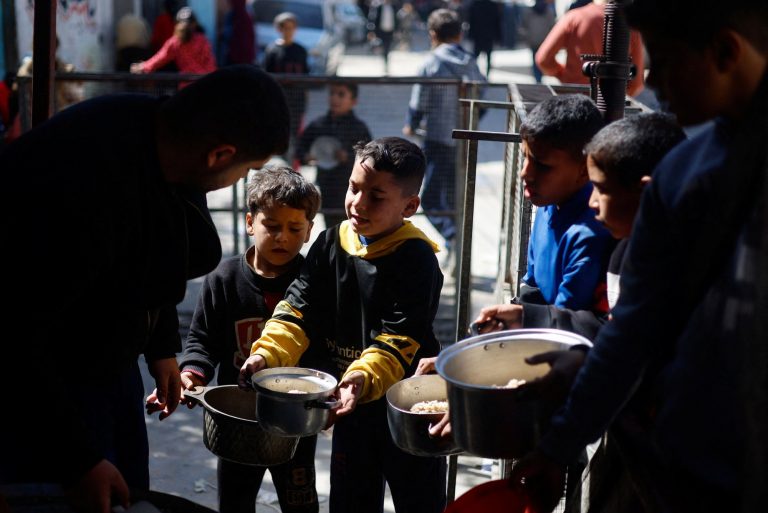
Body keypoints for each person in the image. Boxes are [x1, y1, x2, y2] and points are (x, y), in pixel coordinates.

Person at [510, 1, 768, 512]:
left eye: (666, 61)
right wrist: (561, 441)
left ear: (724, 51)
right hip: (691, 467)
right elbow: (634, 328)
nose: (650, 80)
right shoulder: (682, 174)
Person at [0, 65, 290, 513]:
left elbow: (150, 260)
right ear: (219, 155)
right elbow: (19, 333)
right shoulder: (85, 185)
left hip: (109, 364)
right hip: (46, 386)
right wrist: (78, 460)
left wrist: (160, 345)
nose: (236, 181)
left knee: (132, 491)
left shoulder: (162, 139)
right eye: (245, 169)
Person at [239, 137, 447, 513]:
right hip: (353, 405)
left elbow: (398, 336)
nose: (359, 203)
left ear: (410, 206)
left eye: (377, 196)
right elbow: (298, 308)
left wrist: (359, 378)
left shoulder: (416, 258)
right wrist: (266, 355)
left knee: (419, 498)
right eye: (354, 187)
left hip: (410, 407)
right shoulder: (332, 242)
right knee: (351, 498)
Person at [171, 167, 321, 513]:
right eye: (271, 226)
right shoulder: (223, 279)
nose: (282, 237)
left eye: (294, 228)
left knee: (300, 501)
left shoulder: (315, 283)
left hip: (296, 421)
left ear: (309, 231)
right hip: (237, 420)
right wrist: (193, 372)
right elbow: (202, 341)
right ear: (250, 222)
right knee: (235, 502)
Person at [474, 112, 685, 342]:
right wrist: (525, 316)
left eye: (601, 189)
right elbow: (609, 329)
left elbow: (624, 343)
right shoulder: (623, 252)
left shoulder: (678, 267)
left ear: (647, 193)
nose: (592, 202)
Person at [403, 8, 486, 272]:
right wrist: (471, 122)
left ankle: (452, 238)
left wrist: (412, 124)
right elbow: (482, 96)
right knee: (453, 197)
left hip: (438, 138)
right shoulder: (470, 61)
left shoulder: (432, 63)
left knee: (428, 199)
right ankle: (456, 248)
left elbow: (420, 100)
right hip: (464, 141)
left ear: (432, 34)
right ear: (459, 34)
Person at [515, 94, 612, 313]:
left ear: (583, 170)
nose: (525, 173)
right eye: (525, 158)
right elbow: (531, 285)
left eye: (543, 165)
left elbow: (566, 318)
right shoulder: (547, 206)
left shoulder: (588, 235)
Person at [296, 81, 373, 229]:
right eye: (332, 93)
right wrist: (307, 156)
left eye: (341, 94)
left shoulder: (358, 128)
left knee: (352, 227)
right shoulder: (319, 125)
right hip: (327, 185)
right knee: (332, 228)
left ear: (353, 101)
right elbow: (300, 147)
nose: (335, 98)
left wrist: (349, 157)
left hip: (352, 187)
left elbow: (370, 158)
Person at [535, 0, 646, 97]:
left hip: (573, 95)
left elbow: (543, 59)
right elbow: (636, 81)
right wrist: (620, 94)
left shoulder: (574, 17)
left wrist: (564, 75)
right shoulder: (630, 26)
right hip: (611, 102)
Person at [263, 11, 310, 166]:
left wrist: (305, 98)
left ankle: (294, 168)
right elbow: (267, 77)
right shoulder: (272, 50)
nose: (288, 31)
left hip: (297, 101)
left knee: (295, 136)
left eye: (291, 27)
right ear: (279, 29)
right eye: (285, 28)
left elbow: (306, 77)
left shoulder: (300, 51)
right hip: (278, 101)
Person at [131, 7, 217, 76]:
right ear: (194, 24)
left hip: (187, 85)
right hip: (203, 82)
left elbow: (160, 58)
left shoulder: (175, 41)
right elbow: (210, 63)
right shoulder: (202, 39)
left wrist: (143, 67)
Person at [519, 0, 556, 84]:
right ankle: (540, 77)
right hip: (544, 41)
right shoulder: (548, 11)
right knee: (542, 59)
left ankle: (537, 79)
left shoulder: (528, 11)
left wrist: (527, 37)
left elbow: (524, 26)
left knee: (535, 60)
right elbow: (552, 26)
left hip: (533, 40)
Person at [467, 0, 501, 76]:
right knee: (488, 57)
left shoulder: (475, 4)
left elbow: (471, 20)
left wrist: (470, 35)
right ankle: (486, 75)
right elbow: (497, 22)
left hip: (478, 35)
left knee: (476, 57)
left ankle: (476, 74)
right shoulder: (493, 5)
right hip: (488, 35)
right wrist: (498, 37)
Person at [217, 0, 256, 66]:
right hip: (243, 58)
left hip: (235, 57)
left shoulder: (235, 16)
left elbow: (227, 35)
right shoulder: (246, 15)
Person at [367, 0, 399, 74]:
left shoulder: (393, 6)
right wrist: (371, 31)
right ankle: (384, 61)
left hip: (390, 32)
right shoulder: (378, 7)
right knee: (382, 48)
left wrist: (397, 31)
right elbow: (373, 19)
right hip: (381, 32)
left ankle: (386, 63)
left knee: (387, 48)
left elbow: (396, 19)